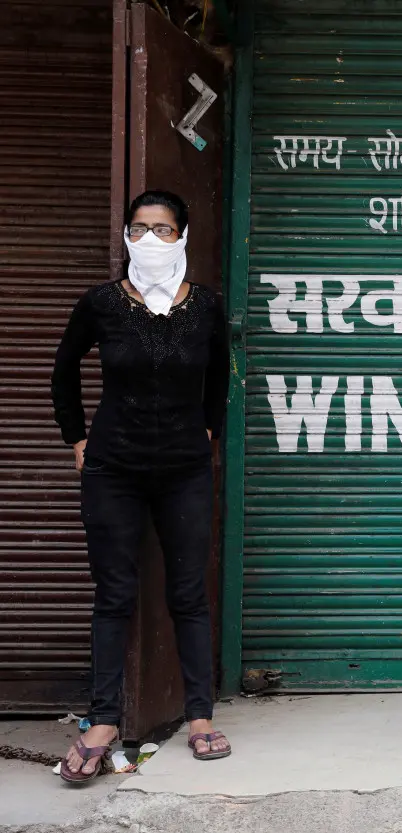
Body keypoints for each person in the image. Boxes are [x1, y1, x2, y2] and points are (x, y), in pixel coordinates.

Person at [51, 190, 232, 783]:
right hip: (113, 469)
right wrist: (77, 439)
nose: (150, 239)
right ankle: (102, 720)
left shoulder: (205, 306)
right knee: (115, 593)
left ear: (183, 237)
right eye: (139, 228)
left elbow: (218, 383)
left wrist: (206, 434)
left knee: (187, 592)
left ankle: (200, 716)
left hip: (182, 469)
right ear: (126, 237)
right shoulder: (102, 303)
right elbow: (64, 368)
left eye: (162, 228)